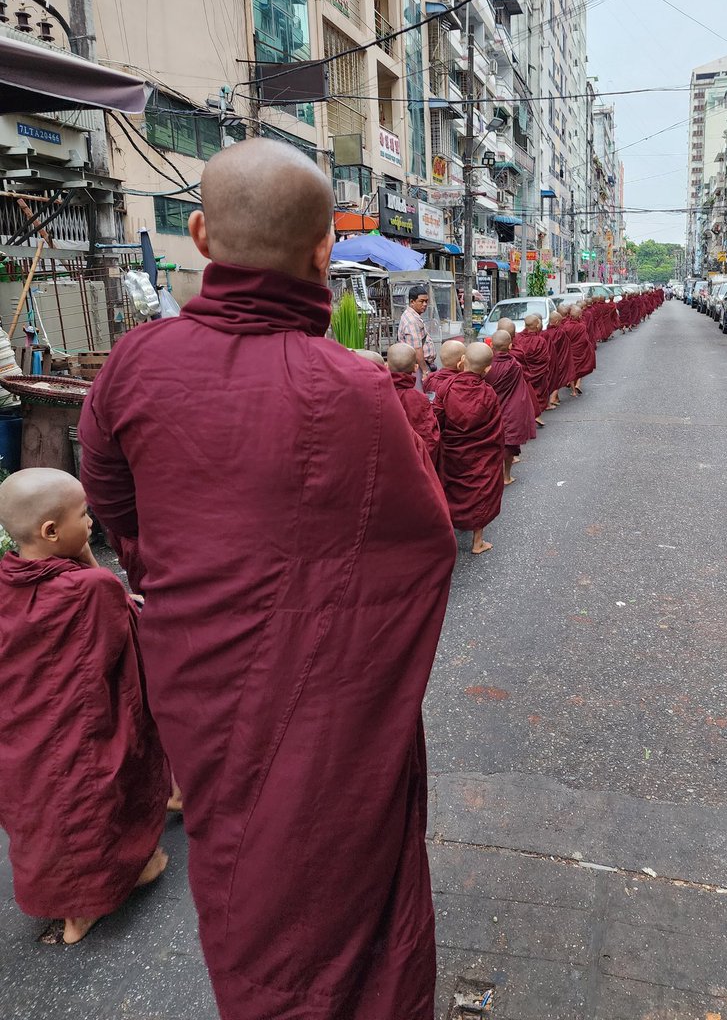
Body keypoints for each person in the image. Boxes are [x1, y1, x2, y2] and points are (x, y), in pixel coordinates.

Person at [78, 139, 457, 1020]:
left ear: (201, 236)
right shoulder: (357, 389)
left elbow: (111, 501)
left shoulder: (135, 362)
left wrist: (182, 576)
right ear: (325, 251)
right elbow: (423, 545)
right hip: (332, 696)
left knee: (238, 868)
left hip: (199, 670)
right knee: (334, 868)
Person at [0, 468, 169, 947]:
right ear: (52, 531)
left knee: (44, 811)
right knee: (96, 790)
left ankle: (73, 902)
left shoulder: (7, 583)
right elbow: (126, 617)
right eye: (83, 515)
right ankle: (93, 903)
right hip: (81, 728)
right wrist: (92, 564)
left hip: (21, 735)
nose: (91, 522)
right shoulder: (91, 589)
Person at [433, 341, 504, 555]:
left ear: (462, 361)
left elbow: (436, 418)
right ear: (487, 369)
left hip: (453, 450)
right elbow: (496, 427)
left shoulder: (447, 387)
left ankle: (447, 534)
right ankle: (477, 541)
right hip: (481, 453)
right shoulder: (488, 393)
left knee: (450, 489)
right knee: (480, 490)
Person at [484, 329, 537, 485]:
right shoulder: (515, 365)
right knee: (509, 442)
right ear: (510, 346)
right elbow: (525, 381)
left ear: (491, 345)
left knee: (493, 442)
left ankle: (494, 474)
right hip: (511, 408)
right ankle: (506, 476)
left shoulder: (486, 366)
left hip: (491, 409)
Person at [387, 342, 441, 466]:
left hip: (387, 462)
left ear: (386, 366)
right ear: (416, 368)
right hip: (415, 462)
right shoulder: (420, 399)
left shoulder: (379, 396)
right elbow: (429, 437)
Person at [511, 314, 552, 417]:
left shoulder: (517, 338)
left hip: (523, 375)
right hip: (538, 374)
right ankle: (535, 413)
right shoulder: (540, 341)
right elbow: (545, 359)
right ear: (537, 325)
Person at [397, 283, 436, 383]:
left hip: (420, 365)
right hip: (418, 367)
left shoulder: (413, 316)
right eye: (421, 301)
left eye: (426, 301)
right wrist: (424, 371)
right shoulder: (412, 321)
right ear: (412, 302)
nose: (425, 304)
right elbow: (417, 349)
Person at [543, 310, 576, 408]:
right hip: (558, 358)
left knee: (551, 378)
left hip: (548, 359)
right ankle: (553, 398)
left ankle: (555, 398)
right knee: (558, 376)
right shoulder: (560, 332)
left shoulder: (544, 333)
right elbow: (564, 346)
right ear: (557, 322)